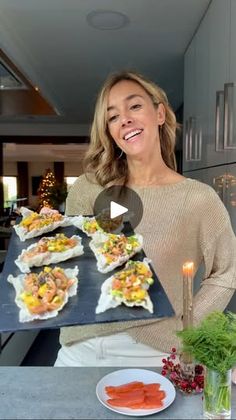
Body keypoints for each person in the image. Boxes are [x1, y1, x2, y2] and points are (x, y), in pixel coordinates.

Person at [55, 70, 236, 367]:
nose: (124, 119)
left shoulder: (198, 198)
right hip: (81, 348)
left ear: (160, 114)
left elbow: (227, 272)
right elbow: (73, 267)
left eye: (135, 106)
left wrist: (186, 328)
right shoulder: (89, 187)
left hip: (155, 354)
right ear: (109, 131)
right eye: (112, 116)